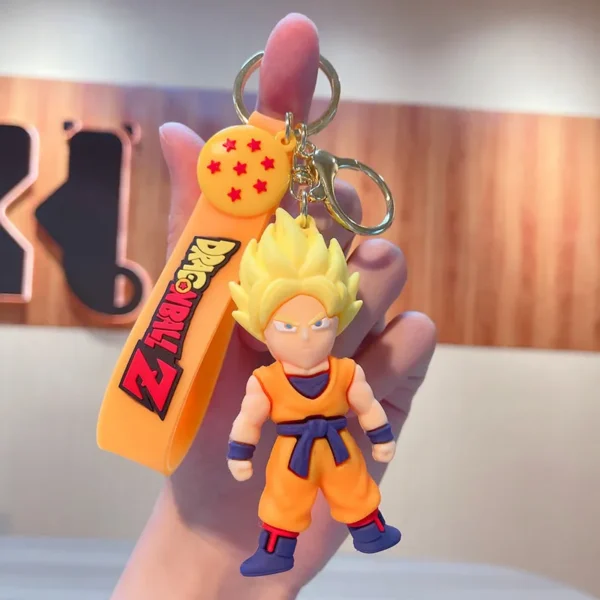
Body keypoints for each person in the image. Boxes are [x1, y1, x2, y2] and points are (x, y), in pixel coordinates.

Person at [111, 12, 436, 600]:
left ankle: (369, 527)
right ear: (260, 322)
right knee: (283, 502)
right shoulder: (265, 383)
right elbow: (248, 419)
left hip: (334, 448)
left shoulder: (343, 376)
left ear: (337, 316)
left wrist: (376, 429)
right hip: (287, 454)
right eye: (286, 323)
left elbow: (365, 403)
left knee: (353, 491)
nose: (305, 335)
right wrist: (217, 496)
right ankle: (272, 545)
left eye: (317, 322)